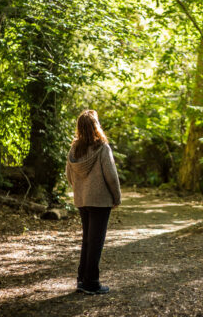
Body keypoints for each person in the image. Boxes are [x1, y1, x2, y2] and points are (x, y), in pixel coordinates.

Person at [65, 109, 121, 295]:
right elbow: (111, 177)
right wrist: (116, 196)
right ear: (95, 126)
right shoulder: (102, 148)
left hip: (82, 200)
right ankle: (91, 283)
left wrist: (80, 189)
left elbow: (69, 175)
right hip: (100, 200)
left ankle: (82, 279)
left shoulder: (75, 149)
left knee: (88, 240)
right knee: (96, 241)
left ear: (79, 127)